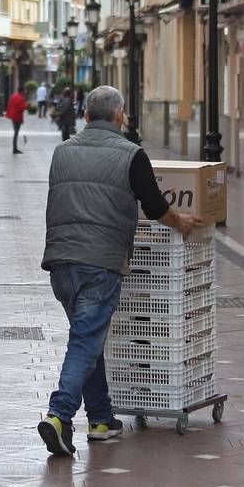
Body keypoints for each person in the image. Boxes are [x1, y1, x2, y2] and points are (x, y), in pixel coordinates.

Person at [37, 86, 204, 456]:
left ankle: (101, 420)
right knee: (86, 341)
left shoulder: (62, 151)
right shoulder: (131, 154)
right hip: (100, 263)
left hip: (60, 264)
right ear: (120, 116)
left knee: (88, 339)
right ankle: (59, 415)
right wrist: (180, 221)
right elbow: (155, 206)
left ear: (85, 117)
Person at [6, 84, 28, 154]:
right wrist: (27, 105)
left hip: (13, 117)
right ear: (22, 91)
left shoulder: (13, 96)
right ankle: (14, 148)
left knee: (15, 132)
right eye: (24, 91)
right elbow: (21, 108)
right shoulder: (21, 98)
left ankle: (15, 148)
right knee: (16, 133)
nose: (25, 92)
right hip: (17, 117)